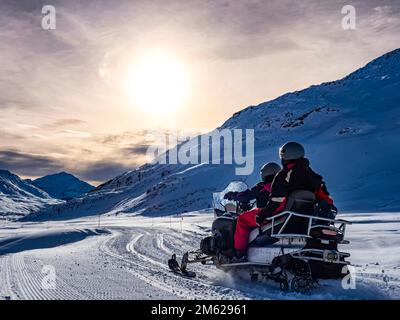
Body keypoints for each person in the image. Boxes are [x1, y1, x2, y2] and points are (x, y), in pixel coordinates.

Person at [233, 142, 335, 261]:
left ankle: (239, 254)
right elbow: (326, 199)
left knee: (242, 219)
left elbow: (276, 201)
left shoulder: (283, 176)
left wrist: (263, 214)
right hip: (303, 217)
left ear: (285, 157)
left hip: (281, 215)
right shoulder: (314, 177)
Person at [225, 162, 281, 262]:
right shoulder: (283, 185)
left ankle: (240, 253)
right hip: (280, 215)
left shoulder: (262, 187)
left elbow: (246, 195)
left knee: (242, 219)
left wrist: (233, 195)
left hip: (265, 215)